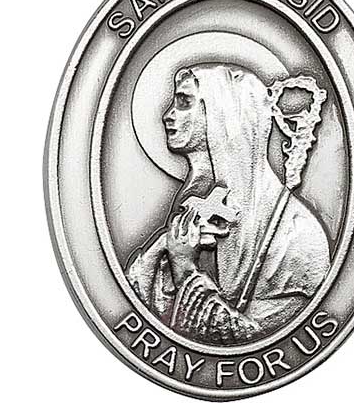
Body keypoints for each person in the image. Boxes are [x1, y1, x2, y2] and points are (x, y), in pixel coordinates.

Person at [126, 62, 330, 342]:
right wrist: (164, 248)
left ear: (225, 115)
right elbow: (142, 305)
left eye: (184, 102)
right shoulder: (195, 212)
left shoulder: (297, 238)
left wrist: (185, 270)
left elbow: (258, 341)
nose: (168, 115)